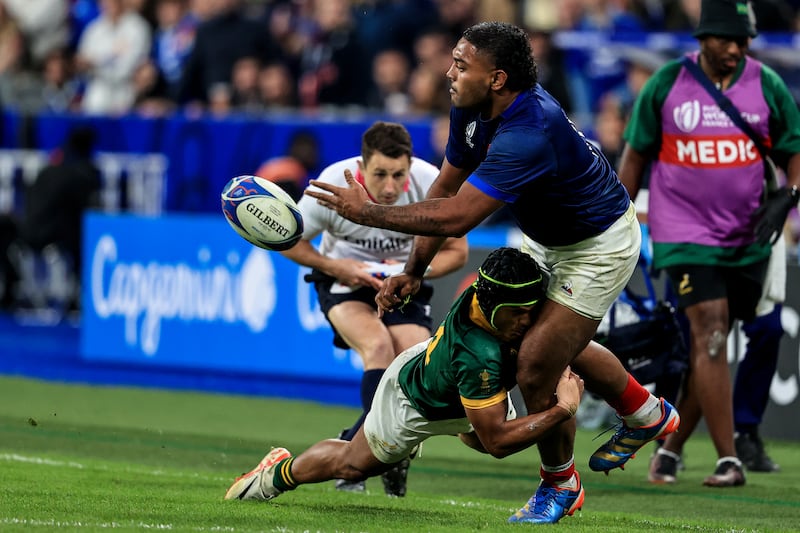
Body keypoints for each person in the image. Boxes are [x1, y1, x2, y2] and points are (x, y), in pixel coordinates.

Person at [304, 21, 680, 523]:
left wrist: (368, 212)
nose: (448, 72)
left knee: (535, 364)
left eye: (461, 64)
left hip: (598, 245)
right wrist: (414, 270)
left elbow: (459, 215)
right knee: (550, 340)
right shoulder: (472, 104)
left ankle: (560, 486)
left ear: (498, 78)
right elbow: (443, 189)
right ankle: (646, 413)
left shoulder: (530, 131)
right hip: (548, 237)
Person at [224, 247, 585, 517]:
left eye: (530, 310)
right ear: (493, 304)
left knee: (479, 432)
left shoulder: (492, 294)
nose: (526, 320)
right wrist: (562, 410)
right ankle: (273, 475)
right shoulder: (478, 354)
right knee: (355, 464)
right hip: (412, 401)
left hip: (460, 388)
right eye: (518, 312)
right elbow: (498, 444)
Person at [617, 0, 800, 487]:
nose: (737, 49)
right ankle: (729, 458)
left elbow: (794, 148)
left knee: (710, 344)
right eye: (728, 39)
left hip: (750, 238)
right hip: (684, 234)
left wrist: (790, 195)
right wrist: (616, 220)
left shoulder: (767, 85)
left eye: (744, 41)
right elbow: (635, 155)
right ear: (703, 39)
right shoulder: (666, 84)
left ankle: (671, 449)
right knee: (712, 329)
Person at [279, 121, 468, 496]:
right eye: (379, 174)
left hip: (404, 286)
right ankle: (366, 463)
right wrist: (338, 266)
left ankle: (359, 450)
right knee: (379, 348)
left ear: (410, 166)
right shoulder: (334, 182)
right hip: (343, 282)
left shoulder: (430, 185)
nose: (389, 186)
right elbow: (288, 241)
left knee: (418, 369)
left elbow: (457, 252)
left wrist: (410, 272)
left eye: (398, 175)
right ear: (362, 166)